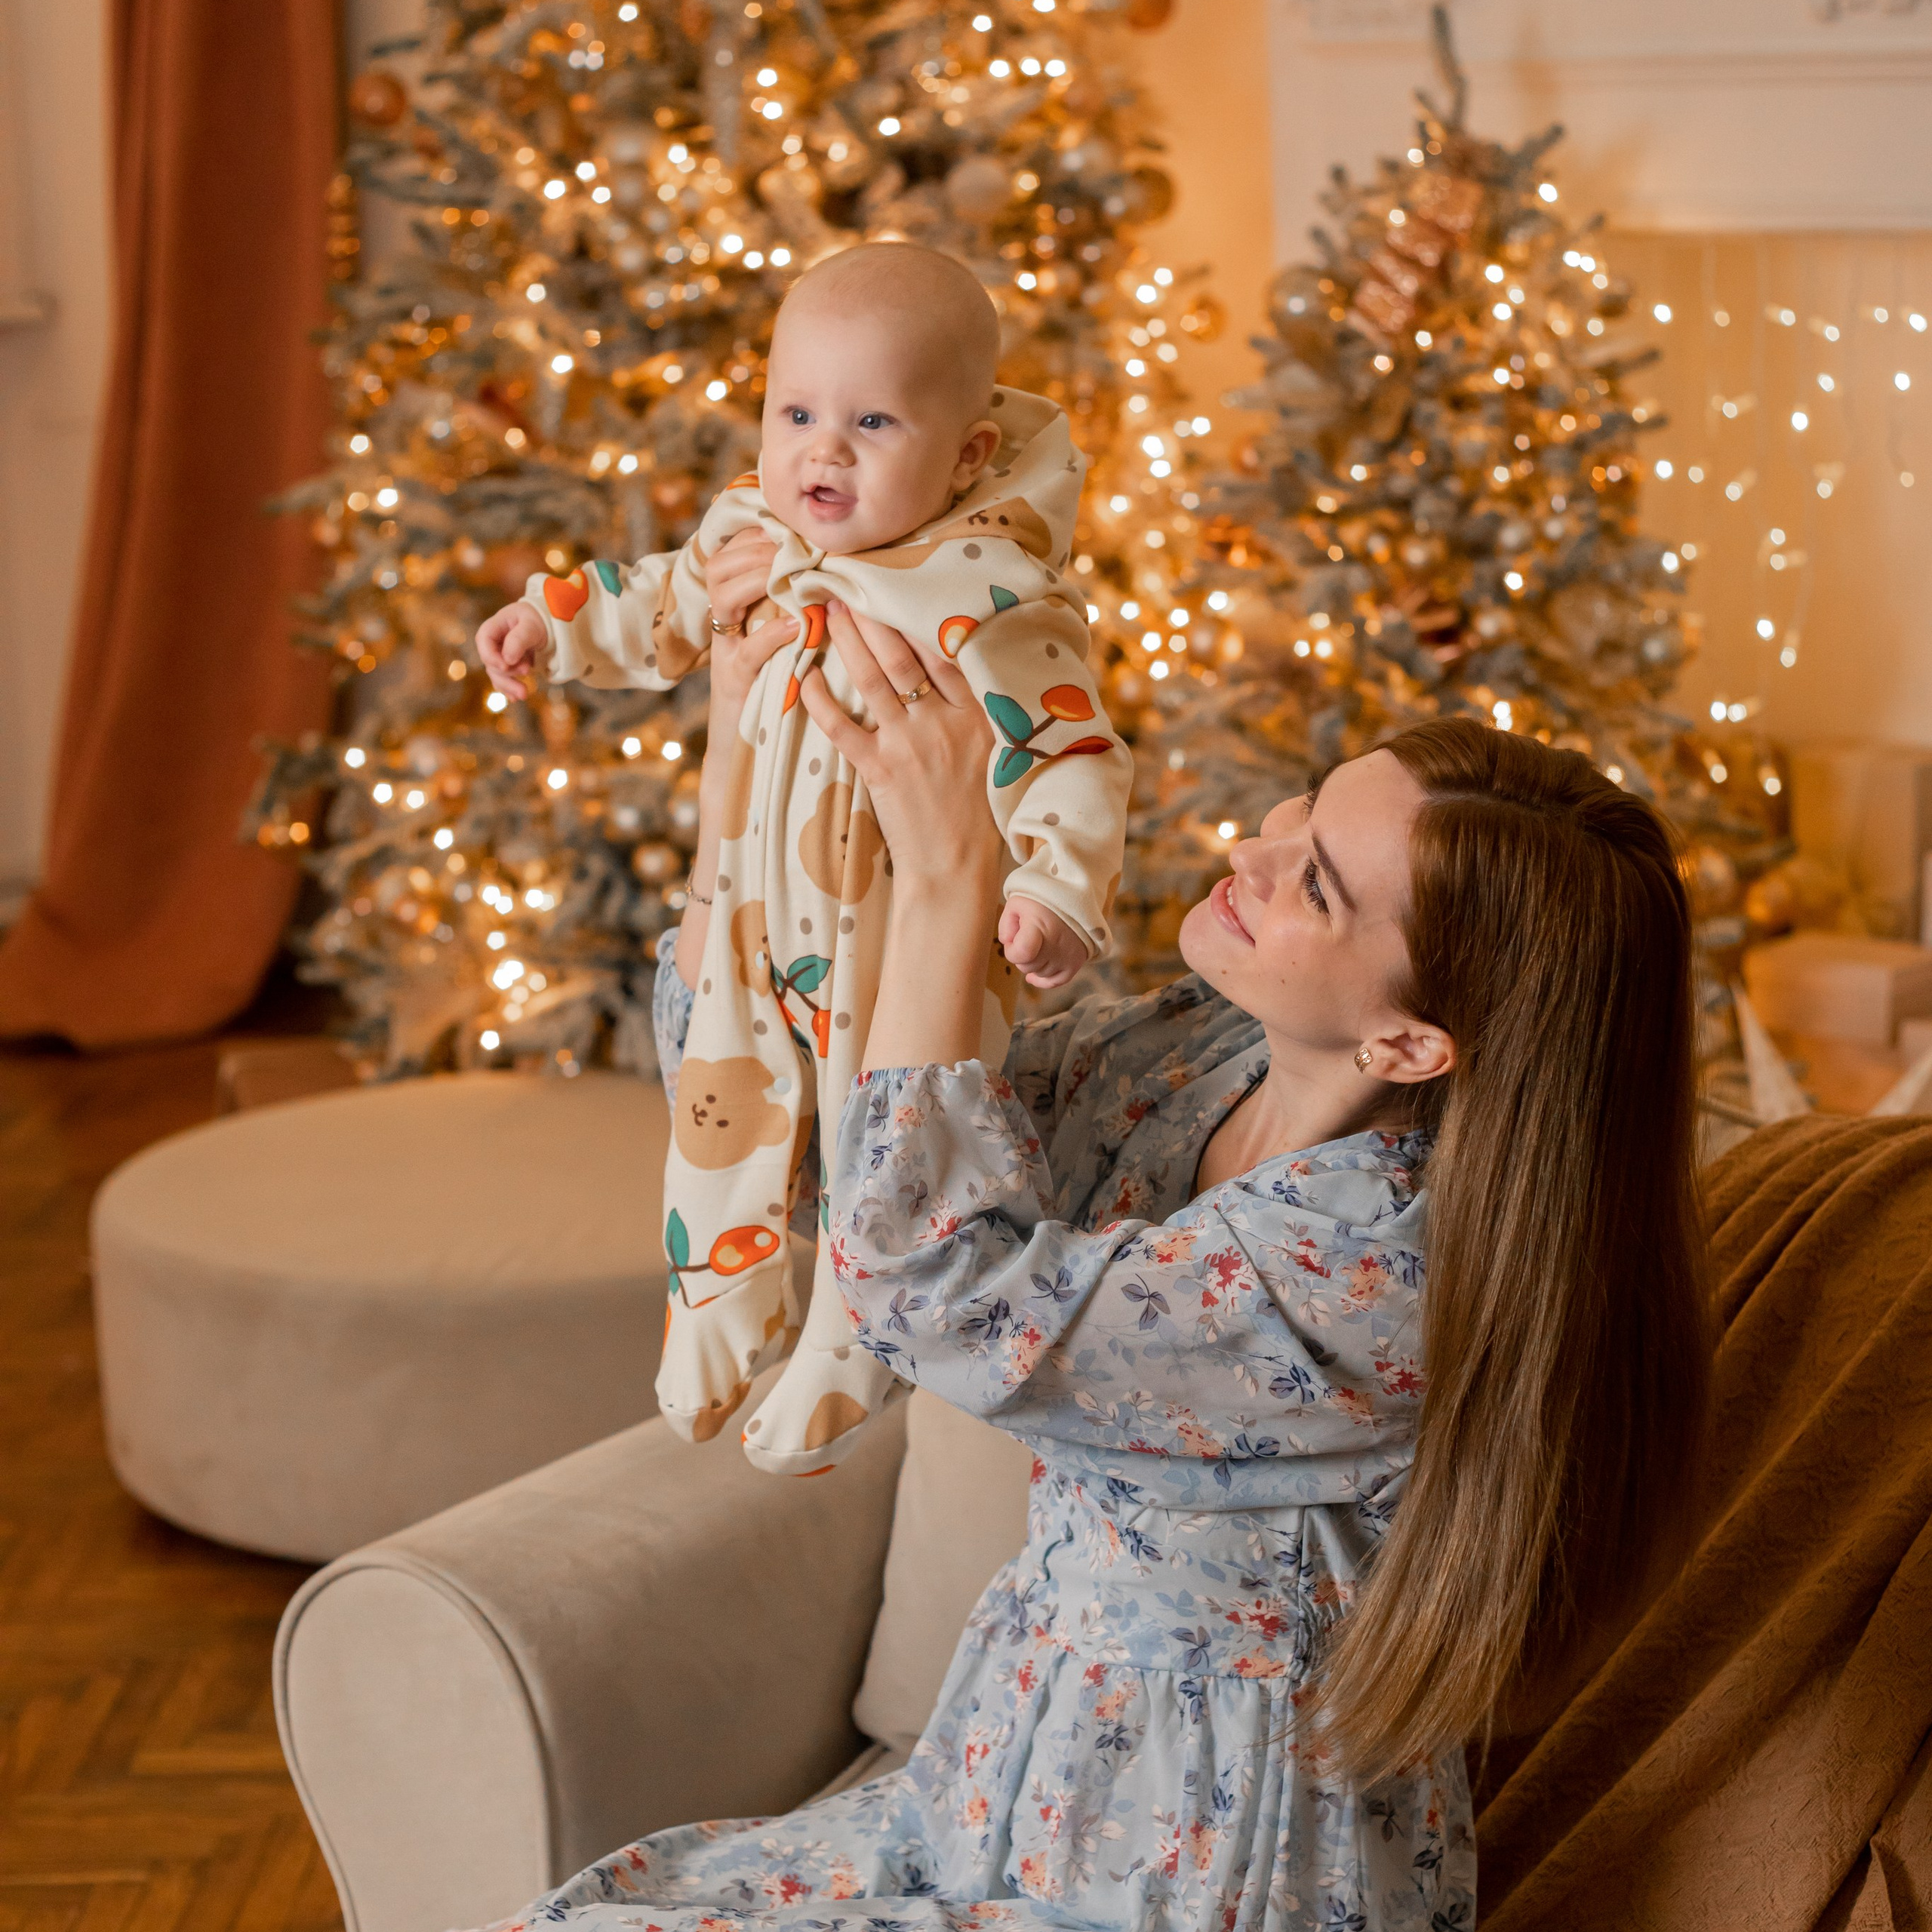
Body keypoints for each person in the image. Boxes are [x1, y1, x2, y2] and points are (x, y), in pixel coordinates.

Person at [473, 601, 1709, 1931]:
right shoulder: (1207, 1052)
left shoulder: (1371, 1277)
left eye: (1316, 883)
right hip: (1012, 1760)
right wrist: (746, 758)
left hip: (1202, 1859)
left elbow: (932, 1292)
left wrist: (956, 884)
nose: (1251, 845)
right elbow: (830, 1142)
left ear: (1411, 1045)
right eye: (1301, 813)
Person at [472, 243, 1131, 1476]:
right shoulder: (754, 532)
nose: (822, 450)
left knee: (859, 1129)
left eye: (873, 420)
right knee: (721, 1107)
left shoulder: (991, 599)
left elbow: (1075, 750)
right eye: (798, 413)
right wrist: (551, 625)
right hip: (749, 910)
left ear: (969, 457)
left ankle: (850, 1329)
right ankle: (716, 1304)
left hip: (893, 933)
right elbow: (657, 599)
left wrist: (1052, 888)